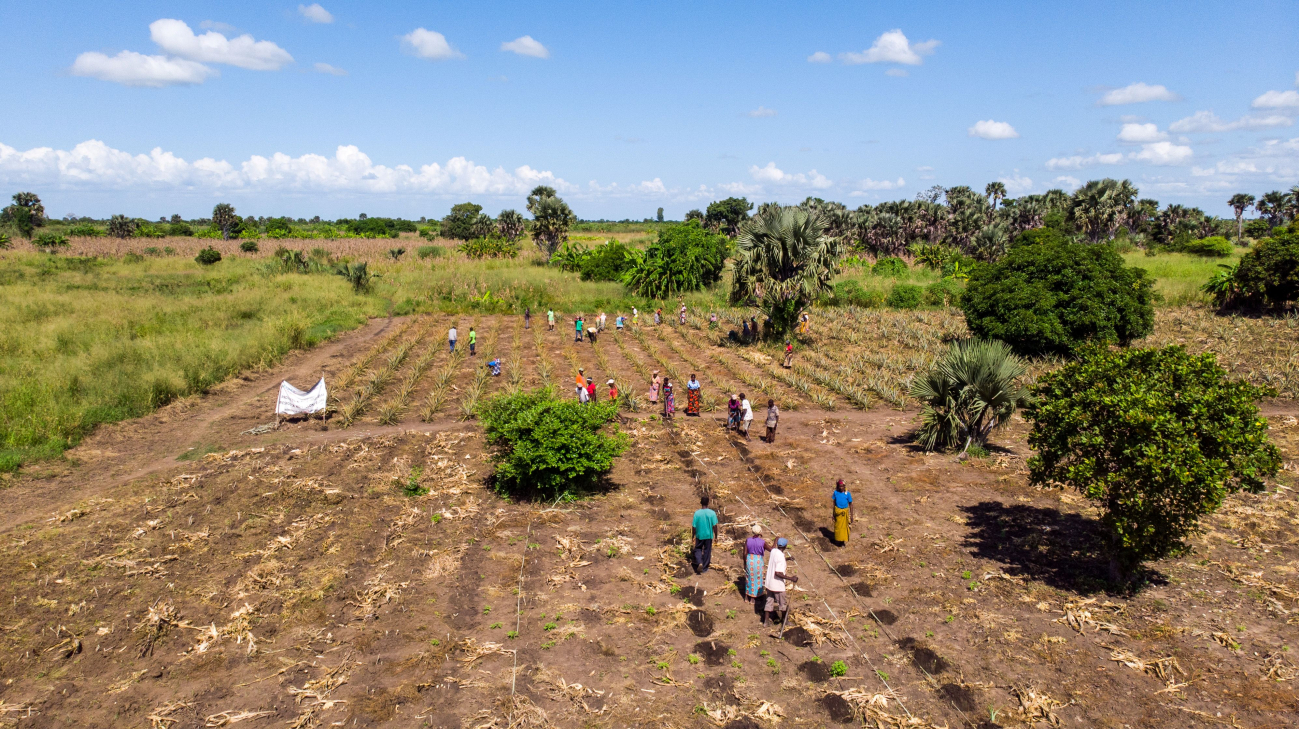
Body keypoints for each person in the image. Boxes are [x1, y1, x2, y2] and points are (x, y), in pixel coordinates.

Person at [762, 537, 797, 626]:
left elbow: (776, 561)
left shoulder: (774, 551)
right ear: (785, 546)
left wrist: (788, 559)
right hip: (777, 585)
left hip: (769, 583)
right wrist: (791, 578)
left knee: (769, 601)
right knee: (782, 604)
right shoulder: (780, 556)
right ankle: (784, 621)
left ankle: (766, 621)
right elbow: (777, 573)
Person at [691, 496, 719, 574]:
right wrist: (716, 536)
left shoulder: (697, 513)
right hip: (708, 535)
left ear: (701, 503)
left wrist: (693, 536)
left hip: (699, 535)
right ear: (708, 503)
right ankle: (704, 567)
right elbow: (715, 526)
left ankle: (699, 562)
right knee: (707, 550)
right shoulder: (712, 513)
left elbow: (694, 527)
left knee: (697, 549)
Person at [743, 525, 770, 604]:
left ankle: (746, 597)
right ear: (760, 532)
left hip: (749, 560)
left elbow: (744, 553)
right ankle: (753, 598)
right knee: (757, 579)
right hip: (758, 561)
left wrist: (745, 563)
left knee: (749, 578)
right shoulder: (762, 542)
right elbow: (771, 549)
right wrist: (775, 541)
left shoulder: (748, 540)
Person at [832, 479, 854, 545]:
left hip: (845, 513)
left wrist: (851, 516)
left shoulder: (848, 494)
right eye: (840, 486)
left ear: (844, 486)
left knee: (844, 528)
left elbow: (851, 504)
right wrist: (833, 515)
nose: (841, 488)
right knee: (837, 527)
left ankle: (842, 541)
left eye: (842, 486)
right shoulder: (835, 493)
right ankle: (837, 540)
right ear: (838, 486)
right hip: (838, 512)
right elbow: (834, 504)